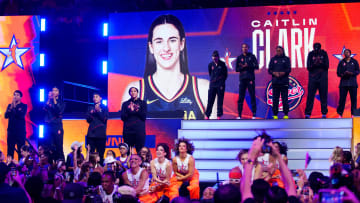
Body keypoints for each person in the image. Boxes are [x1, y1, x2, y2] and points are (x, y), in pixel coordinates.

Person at [122, 14, 211, 120]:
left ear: (182, 44)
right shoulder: (136, 90)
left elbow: (215, 134)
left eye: (172, 40)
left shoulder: (203, 89)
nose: (166, 48)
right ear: (151, 47)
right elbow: (125, 132)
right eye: (159, 41)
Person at [305, 43, 329, 119]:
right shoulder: (311, 54)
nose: (316, 49)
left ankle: (324, 113)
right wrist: (314, 63)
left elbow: (327, 66)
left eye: (317, 48)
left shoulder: (324, 53)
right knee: (310, 96)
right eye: (315, 48)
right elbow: (308, 67)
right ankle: (308, 113)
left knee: (323, 96)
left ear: (320, 48)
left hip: (323, 78)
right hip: (313, 78)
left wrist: (321, 63)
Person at [236, 43, 259, 119]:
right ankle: (239, 115)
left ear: (248, 48)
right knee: (241, 97)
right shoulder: (239, 57)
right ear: (242, 49)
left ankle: (254, 114)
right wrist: (242, 67)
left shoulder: (252, 56)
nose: (244, 48)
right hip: (242, 80)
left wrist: (248, 65)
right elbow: (237, 69)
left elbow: (256, 66)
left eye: (246, 47)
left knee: (252, 96)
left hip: (250, 79)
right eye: (243, 47)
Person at [121, 87, 147, 154]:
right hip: (128, 131)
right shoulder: (125, 104)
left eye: (134, 91)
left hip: (139, 131)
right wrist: (130, 110)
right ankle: (128, 164)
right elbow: (123, 117)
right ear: (129, 93)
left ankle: (140, 164)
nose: (133, 92)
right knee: (127, 151)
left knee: (140, 150)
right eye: (131, 91)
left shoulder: (142, 103)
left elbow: (143, 117)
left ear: (137, 92)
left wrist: (136, 110)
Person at [268, 46, 291, 119]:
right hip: (275, 82)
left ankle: (286, 114)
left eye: (279, 51)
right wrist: (274, 73)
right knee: (275, 99)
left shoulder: (286, 59)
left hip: (284, 82)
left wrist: (282, 73)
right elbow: (269, 70)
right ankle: (275, 115)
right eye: (277, 51)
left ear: (282, 51)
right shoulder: (273, 59)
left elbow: (289, 69)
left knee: (285, 99)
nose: (278, 52)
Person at [43, 86, 65, 160]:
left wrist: (54, 99)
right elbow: (44, 109)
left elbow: (58, 111)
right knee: (49, 147)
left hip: (57, 126)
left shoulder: (62, 103)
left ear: (58, 93)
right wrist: (49, 99)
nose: (53, 92)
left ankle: (62, 165)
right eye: (52, 90)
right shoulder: (48, 101)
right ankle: (51, 166)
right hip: (48, 126)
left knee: (59, 147)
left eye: (55, 90)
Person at [205, 50, 228, 120]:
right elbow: (210, 74)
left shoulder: (223, 64)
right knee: (210, 100)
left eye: (216, 57)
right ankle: (207, 115)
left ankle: (219, 115)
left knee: (220, 101)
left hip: (220, 85)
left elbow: (225, 75)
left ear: (218, 57)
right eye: (213, 57)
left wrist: (221, 83)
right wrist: (213, 81)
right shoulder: (210, 65)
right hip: (212, 85)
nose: (214, 59)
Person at [86, 92, 109, 164]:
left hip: (101, 135)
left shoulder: (105, 107)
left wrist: (98, 111)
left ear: (100, 98)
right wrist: (92, 113)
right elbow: (88, 120)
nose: (95, 98)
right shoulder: (90, 107)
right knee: (90, 155)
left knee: (100, 156)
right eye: (94, 97)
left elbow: (104, 119)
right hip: (91, 135)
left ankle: (100, 171)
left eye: (96, 96)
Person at [336, 49, 360, 117]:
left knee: (353, 100)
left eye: (347, 52)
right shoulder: (341, 62)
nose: (346, 53)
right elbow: (338, 73)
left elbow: (358, 71)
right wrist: (343, 74)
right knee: (342, 100)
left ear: (350, 53)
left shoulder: (354, 61)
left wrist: (352, 73)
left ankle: (353, 114)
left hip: (353, 84)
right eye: (345, 52)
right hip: (343, 84)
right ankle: (340, 114)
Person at [5, 90, 27, 160]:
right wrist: (11, 107)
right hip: (11, 131)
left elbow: (20, 115)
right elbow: (6, 115)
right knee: (10, 150)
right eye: (14, 95)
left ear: (20, 97)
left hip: (20, 132)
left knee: (21, 150)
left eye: (17, 95)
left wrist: (14, 107)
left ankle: (21, 168)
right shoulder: (10, 106)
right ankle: (9, 167)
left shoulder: (24, 106)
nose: (15, 96)